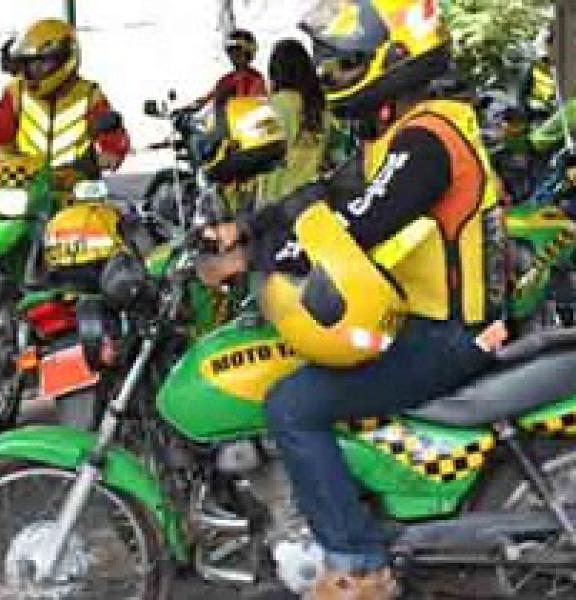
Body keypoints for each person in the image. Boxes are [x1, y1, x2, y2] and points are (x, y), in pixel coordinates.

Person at [197, 1, 507, 598]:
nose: (332, 77)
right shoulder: (403, 134)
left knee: (292, 405)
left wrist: (254, 259)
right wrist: (247, 228)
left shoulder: (427, 142)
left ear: (394, 59)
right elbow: (323, 194)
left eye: (344, 64)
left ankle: (358, 565)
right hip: (424, 320)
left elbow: (356, 224)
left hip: (448, 333)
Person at [0, 18, 130, 179]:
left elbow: (112, 130)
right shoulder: (17, 92)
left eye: (42, 63)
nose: (34, 70)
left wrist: (112, 151)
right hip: (26, 182)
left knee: (98, 208)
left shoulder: (89, 94)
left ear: (64, 58)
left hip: (76, 183)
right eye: (29, 63)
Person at [257, 38, 330, 209]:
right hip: (313, 198)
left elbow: (262, 155)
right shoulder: (321, 105)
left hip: (279, 202)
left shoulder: (277, 105)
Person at [189, 28, 266, 111]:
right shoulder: (227, 79)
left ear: (248, 52)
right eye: (231, 51)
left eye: (238, 50)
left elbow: (257, 105)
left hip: (244, 117)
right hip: (224, 117)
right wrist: (190, 108)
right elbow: (209, 97)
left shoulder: (255, 78)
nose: (233, 54)